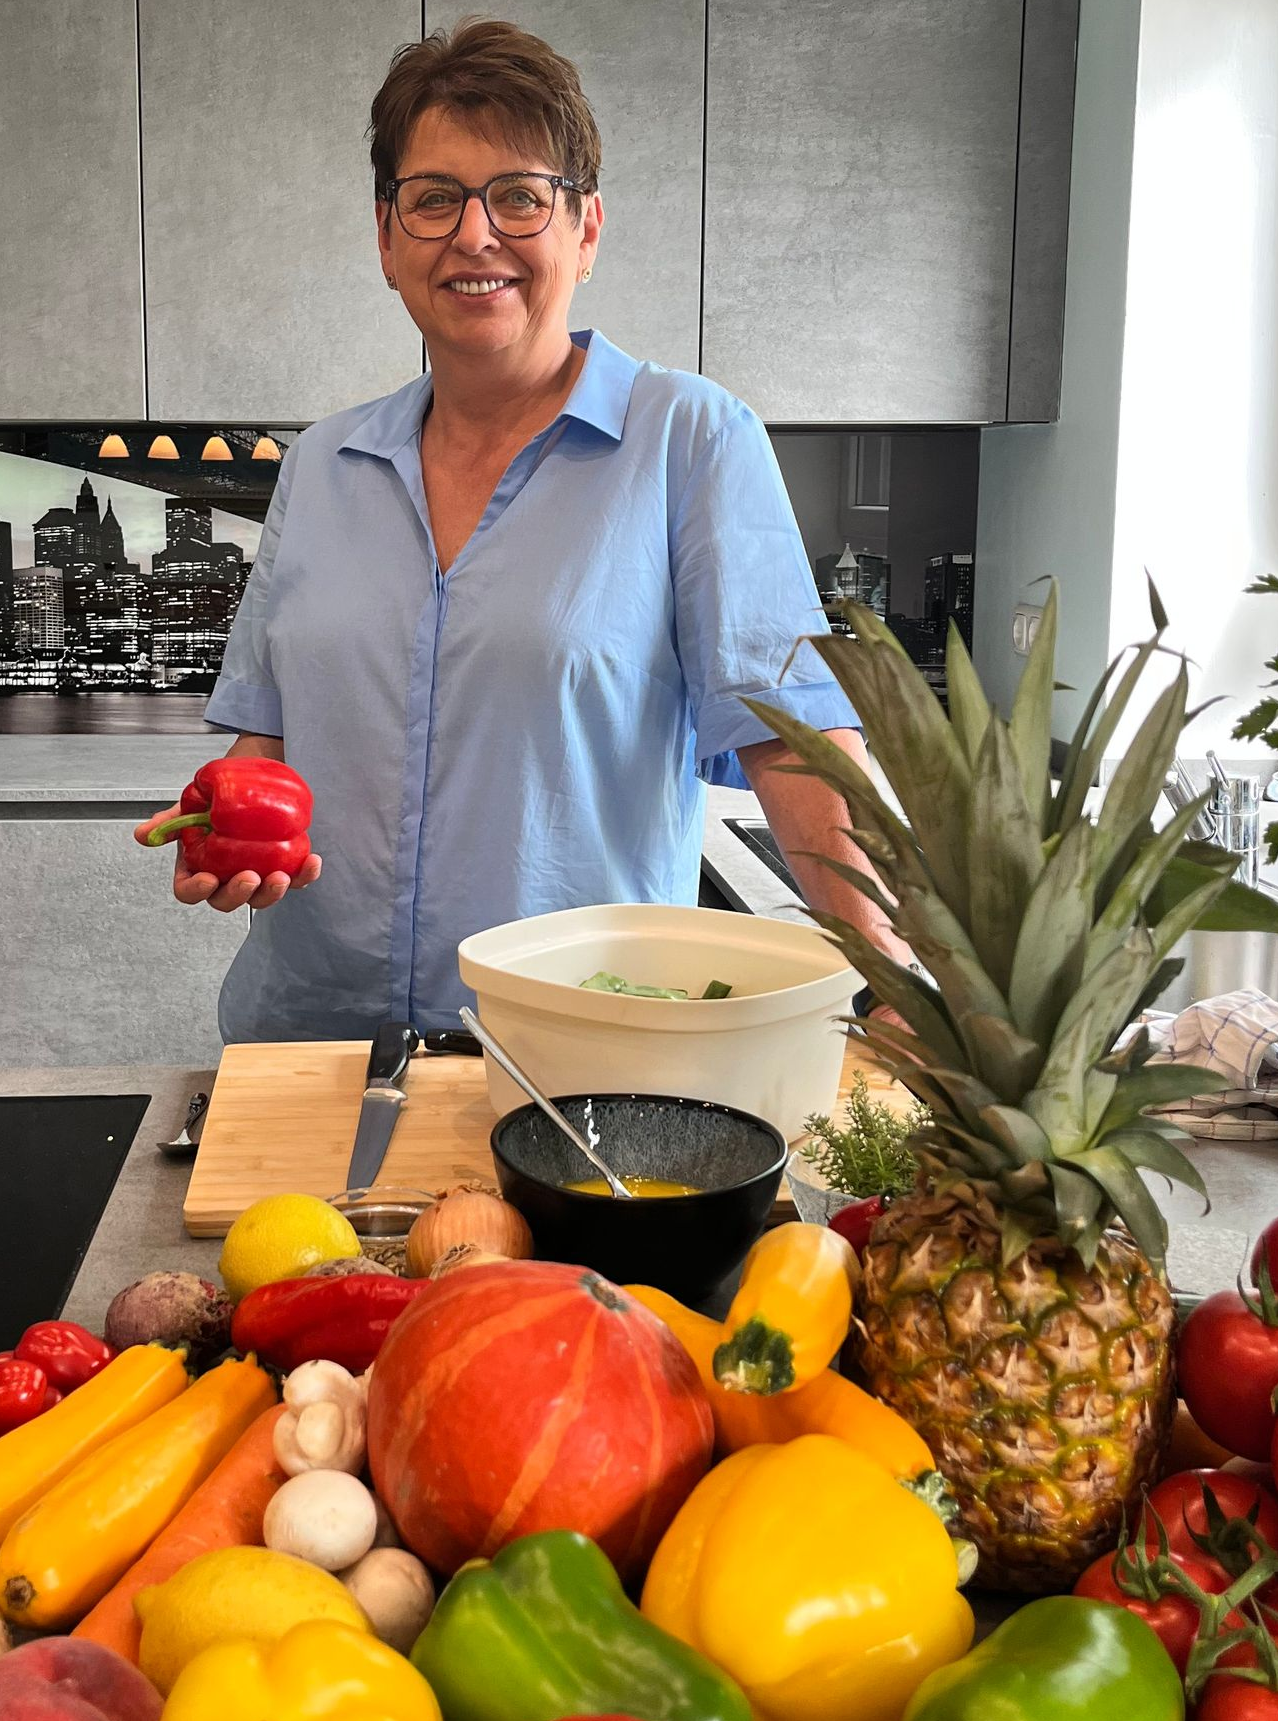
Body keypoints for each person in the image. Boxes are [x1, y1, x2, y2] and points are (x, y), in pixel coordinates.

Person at [141, 17, 905, 1043]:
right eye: (433, 199)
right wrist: (228, 835)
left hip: (572, 1055)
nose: (474, 235)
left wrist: (894, 990)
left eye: (520, 195)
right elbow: (269, 742)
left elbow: (797, 743)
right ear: (385, 237)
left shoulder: (688, 440)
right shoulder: (323, 464)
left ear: (585, 232)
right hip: (306, 1043)